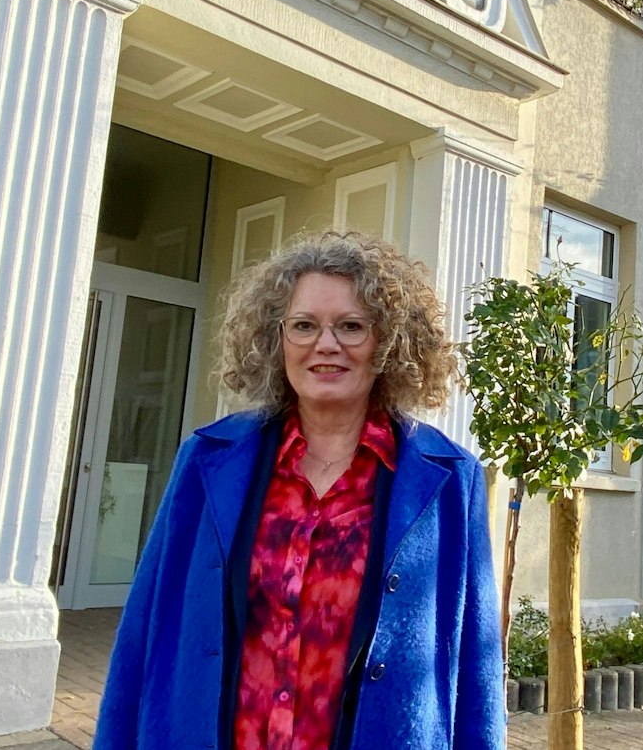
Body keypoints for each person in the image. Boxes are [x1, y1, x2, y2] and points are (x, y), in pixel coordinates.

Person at [95, 231, 505, 750]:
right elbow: (141, 633)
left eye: (352, 327)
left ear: (390, 342)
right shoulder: (206, 460)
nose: (325, 344)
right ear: (277, 339)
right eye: (304, 325)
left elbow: (478, 663)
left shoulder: (448, 478)